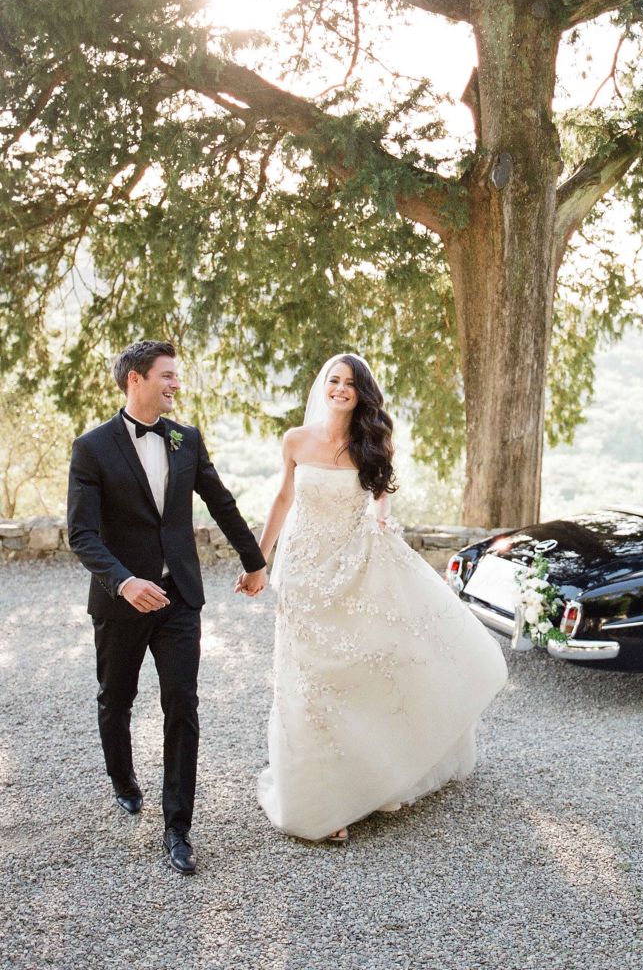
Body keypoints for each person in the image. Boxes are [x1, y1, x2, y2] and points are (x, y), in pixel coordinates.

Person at [246, 353, 508, 842]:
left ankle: (371, 778)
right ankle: (318, 801)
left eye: (350, 383)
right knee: (307, 682)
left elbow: (380, 493)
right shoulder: (296, 440)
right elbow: (283, 499)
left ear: (361, 392)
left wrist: (381, 519)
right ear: (324, 386)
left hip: (352, 567)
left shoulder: (370, 441)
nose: (340, 389)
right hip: (303, 574)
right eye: (334, 380)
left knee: (361, 669)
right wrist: (257, 561)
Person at [67, 340, 267, 875]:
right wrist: (124, 582)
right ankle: (123, 779)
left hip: (179, 596)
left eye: (177, 376)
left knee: (182, 703)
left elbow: (220, 502)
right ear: (136, 379)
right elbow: (81, 535)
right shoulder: (91, 448)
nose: (176, 384)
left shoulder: (186, 439)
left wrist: (255, 562)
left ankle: (178, 828)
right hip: (121, 602)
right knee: (116, 698)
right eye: (167, 375)